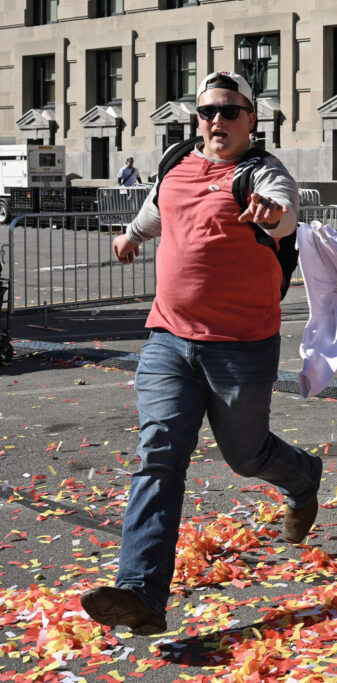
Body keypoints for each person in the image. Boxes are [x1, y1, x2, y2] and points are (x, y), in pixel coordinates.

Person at [80, 71, 322, 635]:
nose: (217, 120)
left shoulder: (260, 173)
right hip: (168, 339)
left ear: (251, 121)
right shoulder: (175, 161)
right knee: (159, 456)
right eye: (207, 111)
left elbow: (285, 211)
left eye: (230, 112)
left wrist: (273, 215)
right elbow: (158, 207)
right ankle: (141, 593)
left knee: (246, 455)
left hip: (240, 347)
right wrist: (132, 236)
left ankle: (303, 476)